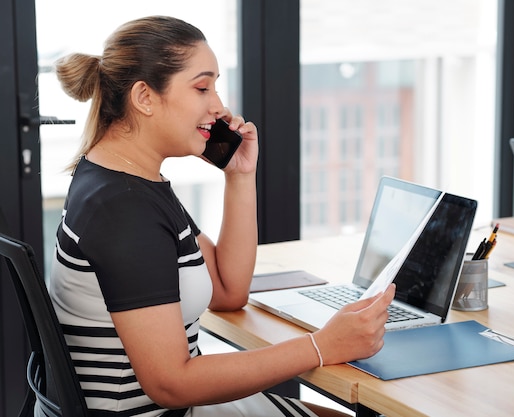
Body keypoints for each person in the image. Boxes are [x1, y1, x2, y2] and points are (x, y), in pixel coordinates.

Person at [49, 15, 395, 417]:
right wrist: (321, 346)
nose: (219, 106)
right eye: (202, 87)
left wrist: (239, 176)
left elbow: (228, 291)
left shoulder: (131, 179)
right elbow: (170, 383)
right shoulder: (123, 208)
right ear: (144, 97)